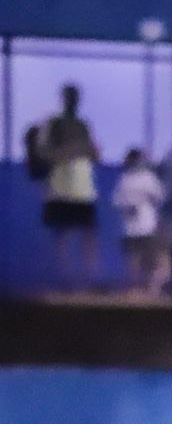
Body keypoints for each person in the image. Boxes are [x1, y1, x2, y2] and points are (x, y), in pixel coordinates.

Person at [39, 84, 101, 288]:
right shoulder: (53, 123)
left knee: (89, 233)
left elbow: (94, 153)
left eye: (76, 97)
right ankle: (65, 280)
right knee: (63, 234)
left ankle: (89, 280)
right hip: (61, 186)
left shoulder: (83, 125)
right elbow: (44, 151)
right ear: (63, 98)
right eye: (70, 96)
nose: (73, 100)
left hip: (83, 187)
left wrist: (90, 151)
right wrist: (70, 151)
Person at [112, 149, 170, 295]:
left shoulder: (133, 179)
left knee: (144, 260)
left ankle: (146, 289)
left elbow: (117, 202)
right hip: (139, 227)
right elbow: (160, 197)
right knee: (143, 260)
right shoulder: (137, 178)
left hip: (139, 227)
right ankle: (144, 289)